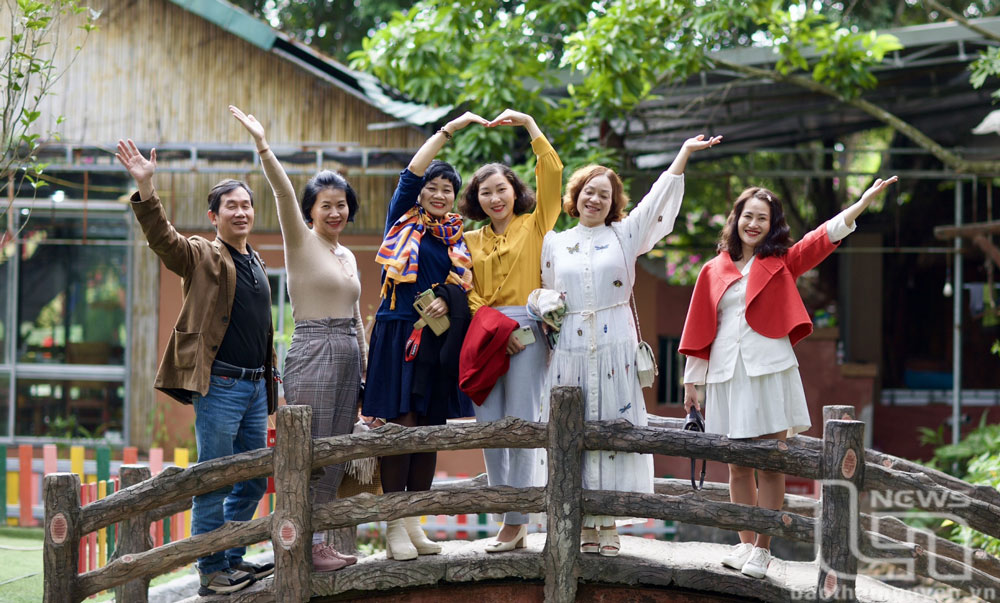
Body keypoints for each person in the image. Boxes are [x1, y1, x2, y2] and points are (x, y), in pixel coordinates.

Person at [680, 176, 898, 578]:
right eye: (748, 216)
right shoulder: (712, 269)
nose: (753, 224)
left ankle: (763, 550)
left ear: (772, 225)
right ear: (736, 219)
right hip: (726, 375)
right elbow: (699, 327)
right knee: (736, 466)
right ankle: (745, 544)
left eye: (762, 218)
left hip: (770, 370)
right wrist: (692, 382)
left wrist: (861, 203)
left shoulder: (782, 262)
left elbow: (820, 239)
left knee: (770, 464)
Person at [539, 134, 722, 557]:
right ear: (576, 195)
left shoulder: (625, 235)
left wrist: (683, 154)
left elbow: (658, 199)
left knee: (615, 426)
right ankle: (581, 520)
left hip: (614, 346)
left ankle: (608, 522)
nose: (595, 199)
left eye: (604, 195)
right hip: (569, 349)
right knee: (573, 428)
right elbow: (544, 288)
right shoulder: (554, 242)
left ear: (613, 203)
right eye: (589, 191)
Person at [116, 139, 278, 595]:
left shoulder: (256, 260)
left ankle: (231, 558)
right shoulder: (203, 254)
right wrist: (146, 188)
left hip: (255, 388)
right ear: (214, 216)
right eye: (232, 206)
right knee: (213, 479)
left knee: (253, 480)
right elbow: (164, 240)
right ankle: (210, 571)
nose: (241, 212)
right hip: (221, 386)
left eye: (246, 205)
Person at [230, 106, 366, 572]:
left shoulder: (347, 254)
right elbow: (282, 192)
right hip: (313, 349)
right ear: (310, 210)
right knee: (312, 452)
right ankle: (297, 544)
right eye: (325, 204)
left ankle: (318, 542)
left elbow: (357, 317)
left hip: (347, 351)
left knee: (337, 452)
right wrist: (263, 145)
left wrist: (366, 370)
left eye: (341, 204)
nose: (335, 211)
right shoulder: (301, 241)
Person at [362, 112, 486, 560]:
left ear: (454, 198)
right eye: (432, 187)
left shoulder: (456, 239)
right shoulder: (403, 220)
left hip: (437, 339)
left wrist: (449, 299)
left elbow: (464, 287)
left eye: (447, 189)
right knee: (402, 428)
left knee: (430, 431)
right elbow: (410, 173)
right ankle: (394, 525)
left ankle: (414, 522)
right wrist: (450, 130)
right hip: (399, 334)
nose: (438, 194)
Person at [458, 109, 562, 552]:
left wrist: (530, 125)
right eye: (485, 192)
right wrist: (494, 326)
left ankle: (516, 520)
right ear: (476, 199)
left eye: (501, 189)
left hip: (528, 330)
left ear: (515, 191)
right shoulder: (469, 239)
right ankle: (506, 512)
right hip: (486, 330)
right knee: (489, 424)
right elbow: (466, 290)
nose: (495, 198)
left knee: (521, 421)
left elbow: (552, 173)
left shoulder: (536, 224)